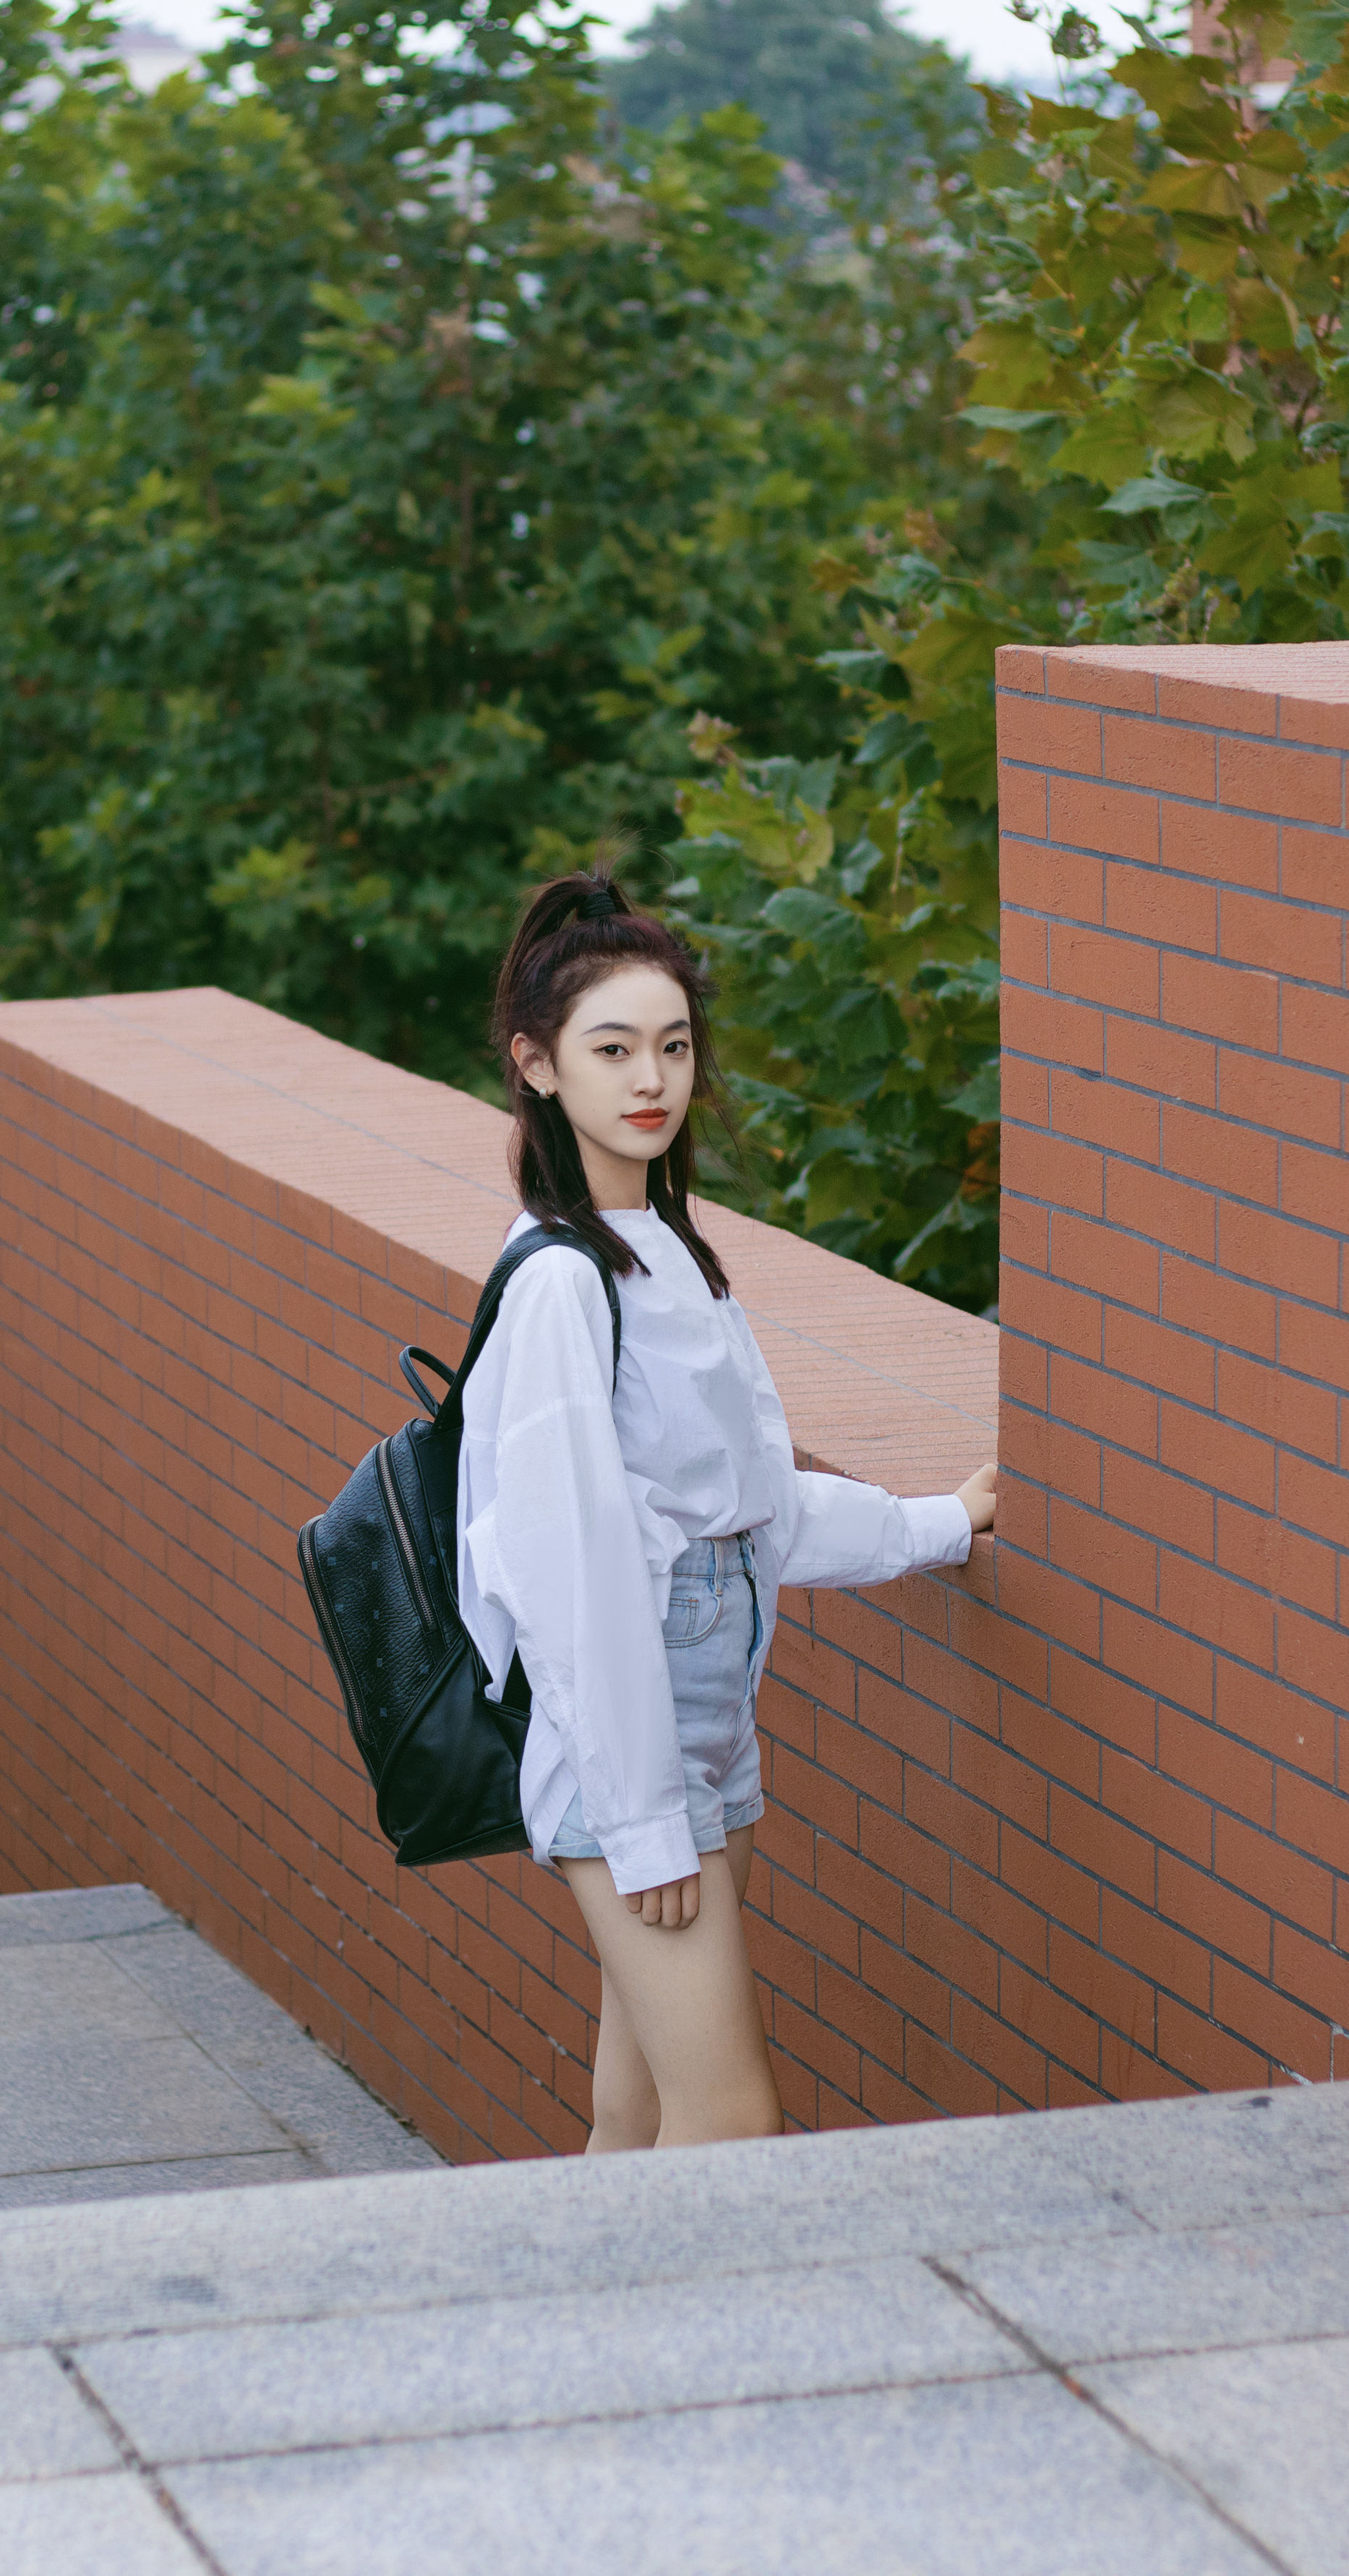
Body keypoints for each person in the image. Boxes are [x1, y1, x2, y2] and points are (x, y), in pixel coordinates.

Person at [455, 869, 998, 2153]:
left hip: (710, 1713)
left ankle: (599, 2349)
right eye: (613, 1049)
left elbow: (751, 1514)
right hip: (628, 1732)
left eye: (675, 1045)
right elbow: (573, 1569)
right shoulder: (561, 1286)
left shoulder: (673, 1258)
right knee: (732, 2118)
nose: (652, 1077)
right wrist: (642, 1821)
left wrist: (939, 1523)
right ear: (538, 1068)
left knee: (639, 2104)